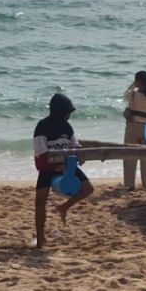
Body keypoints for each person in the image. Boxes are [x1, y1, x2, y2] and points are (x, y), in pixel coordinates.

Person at [33, 93, 94, 248]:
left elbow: (74, 145)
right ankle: (41, 239)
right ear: (59, 111)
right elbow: (40, 152)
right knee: (40, 202)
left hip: (66, 165)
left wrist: (80, 156)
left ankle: (64, 207)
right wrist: (54, 166)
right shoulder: (42, 126)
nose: (68, 116)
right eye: (67, 112)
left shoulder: (67, 127)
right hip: (47, 168)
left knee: (88, 189)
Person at [123, 70, 146, 190]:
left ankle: (129, 184)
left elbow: (125, 94)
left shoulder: (133, 95)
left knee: (129, 155)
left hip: (133, 126)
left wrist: (132, 86)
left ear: (139, 82)